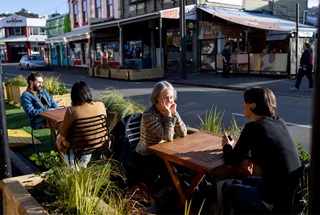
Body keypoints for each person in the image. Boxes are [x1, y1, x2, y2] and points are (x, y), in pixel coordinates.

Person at [221, 86, 301, 214]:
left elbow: (232, 159)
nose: (242, 106)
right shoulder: (280, 123)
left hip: (273, 202)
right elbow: (269, 148)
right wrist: (247, 157)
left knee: (228, 191)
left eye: (245, 103)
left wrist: (227, 145)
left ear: (253, 105)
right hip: (292, 197)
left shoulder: (253, 128)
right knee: (247, 180)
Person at [135, 81, 187, 177]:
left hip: (165, 150)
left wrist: (174, 113)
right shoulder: (149, 115)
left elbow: (183, 133)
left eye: (171, 97)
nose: (170, 101)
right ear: (156, 98)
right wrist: (169, 117)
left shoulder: (169, 110)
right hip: (147, 154)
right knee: (174, 171)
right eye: (165, 98)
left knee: (186, 163)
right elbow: (168, 138)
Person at [56, 81, 107, 168]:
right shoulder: (100, 105)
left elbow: (63, 133)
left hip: (78, 145)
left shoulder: (72, 111)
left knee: (59, 138)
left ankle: (73, 166)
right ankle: (84, 162)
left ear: (73, 95)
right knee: (86, 135)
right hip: (99, 141)